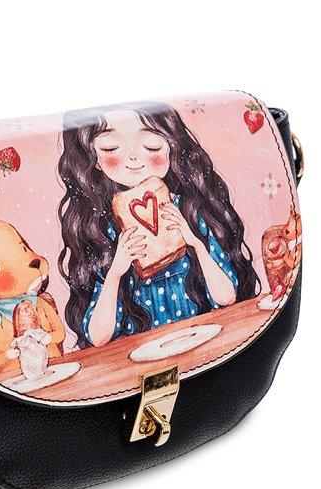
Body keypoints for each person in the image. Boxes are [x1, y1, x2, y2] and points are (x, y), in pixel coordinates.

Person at [58, 101, 261, 348]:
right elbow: (98, 336)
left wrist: (195, 244)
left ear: (171, 147)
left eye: (151, 146)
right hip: (142, 354)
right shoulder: (105, 233)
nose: (133, 158)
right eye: (110, 148)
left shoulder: (188, 213)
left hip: (203, 341)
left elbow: (226, 296)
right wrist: (115, 272)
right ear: (94, 159)